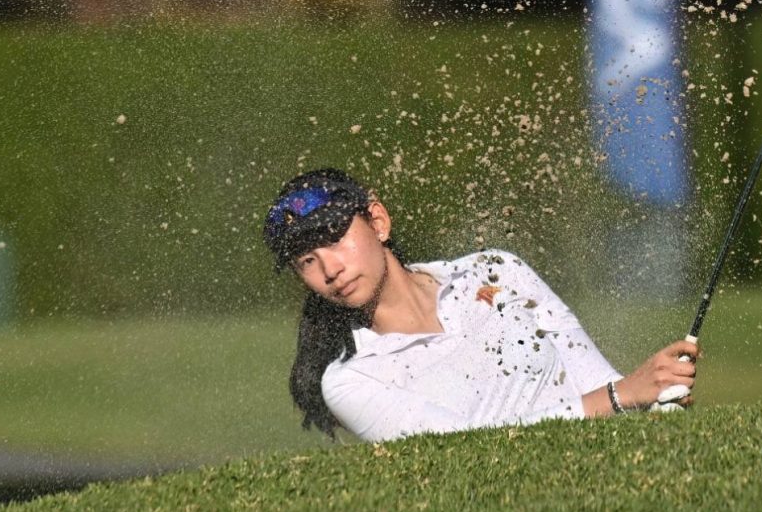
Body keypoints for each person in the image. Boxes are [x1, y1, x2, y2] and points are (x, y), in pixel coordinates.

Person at [264, 168, 698, 443]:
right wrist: (620, 397)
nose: (329, 269)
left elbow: (598, 380)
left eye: (334, 239)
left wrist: (652, 396)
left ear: (378, 221)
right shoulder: (350, 381)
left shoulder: (495, 270)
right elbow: (464, 452)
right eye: (307, 260)